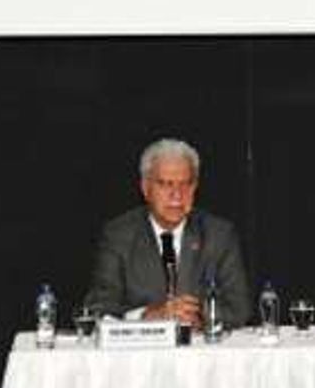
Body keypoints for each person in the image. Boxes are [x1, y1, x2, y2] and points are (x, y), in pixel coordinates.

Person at [84, 138, 252, 328]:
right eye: (165, 184)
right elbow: (98, 309)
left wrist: (198, 317)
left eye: (185, 184)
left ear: (195, 187)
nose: (177, 195)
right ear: (145, 188)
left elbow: (239, 309)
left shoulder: (219, 235)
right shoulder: (119, 236)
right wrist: (148, 316)